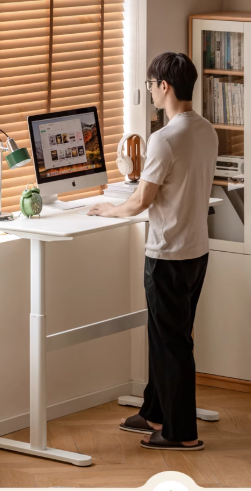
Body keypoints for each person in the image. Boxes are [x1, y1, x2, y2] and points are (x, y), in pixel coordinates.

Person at [88, 52, 218, 451]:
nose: (149, 91)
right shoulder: (206, 130)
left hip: (168, 255)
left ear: (164, 86)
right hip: (196, 251)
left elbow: (141, 201)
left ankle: (181, 433)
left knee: (172, 342)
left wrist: (108, 209)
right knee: (165, 336)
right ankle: (153, 410)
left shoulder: (165, 139)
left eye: (150, 85)